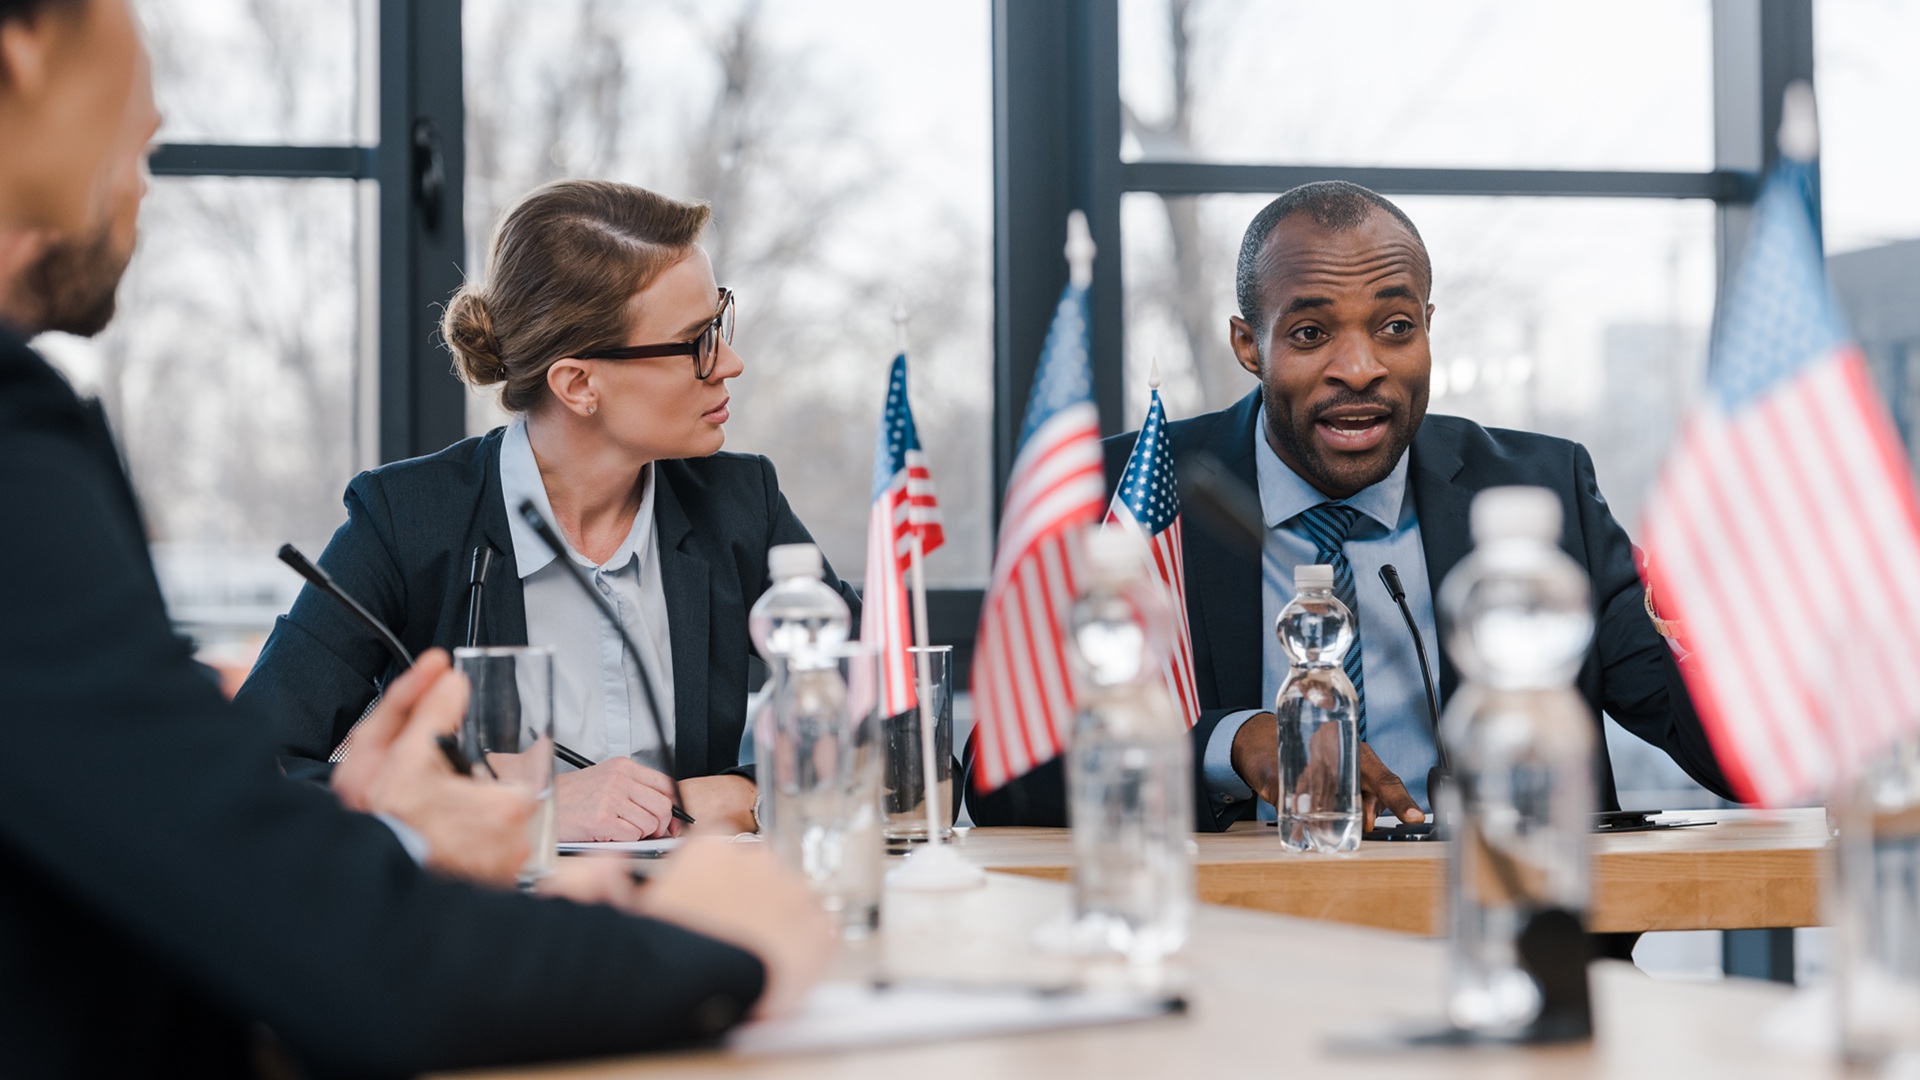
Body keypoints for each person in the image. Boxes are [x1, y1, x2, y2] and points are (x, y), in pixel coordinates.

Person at [0, 4, 834, 1075]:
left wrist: (392, 836)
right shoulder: (403, 519)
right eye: (137, 137)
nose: (150, 139)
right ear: (23, 49)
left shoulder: (740, 503)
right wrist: (702, 940)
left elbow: (877, 735)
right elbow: (330, 932)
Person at [969, 181, 1734, 834]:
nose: (1361, 368)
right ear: (1248, 345)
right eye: (1309, 334)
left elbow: (1728, 757)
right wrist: (1228, 744)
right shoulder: (1132, 489)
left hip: (1504, 935)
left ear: (1429, 328)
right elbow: (1003, 779)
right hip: (1238, 956)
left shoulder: (1537, 492)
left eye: (1395, 328)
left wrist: (1719, 623)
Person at [236, 178, 860, 841]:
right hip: (480, 929)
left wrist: (748, 795)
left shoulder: (741, 506)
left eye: (721, 321)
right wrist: (533, 803)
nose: (729, 363)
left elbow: (894, 710)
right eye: (698, 340)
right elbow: (251, 772)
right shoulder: (405, 522)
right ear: (578, 383)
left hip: (690, 918)